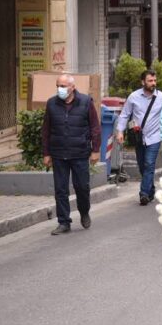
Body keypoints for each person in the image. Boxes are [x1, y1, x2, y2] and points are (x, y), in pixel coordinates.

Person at [42, 74, 102, 235]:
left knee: (82, 187)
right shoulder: (52, 104)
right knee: (61, 189)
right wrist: (46, 153)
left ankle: (84, 211)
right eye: (58, 86)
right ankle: (64, 222)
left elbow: (95, 128)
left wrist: (96, 150)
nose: (60, 89)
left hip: (80, 153)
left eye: (63, 86)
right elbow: (46, 130)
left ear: (72, 87)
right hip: (59, 153)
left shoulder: (85, 102)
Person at [115, 69, 162, 206]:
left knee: (149, 164)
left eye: (155, 80)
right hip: (138, 137)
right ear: (143, 82)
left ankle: (143, 194)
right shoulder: (133, 97)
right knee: (142, 166)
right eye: (150, 81)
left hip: (155, 137)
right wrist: (120, 131)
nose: (153, 83)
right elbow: (125, 114)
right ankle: (151, 190)